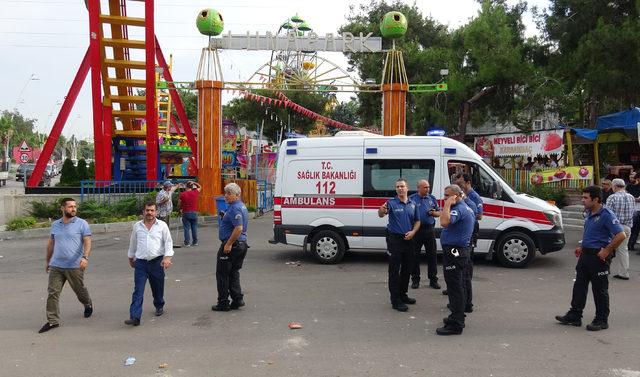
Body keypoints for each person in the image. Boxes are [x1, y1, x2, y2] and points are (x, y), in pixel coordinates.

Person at [555, 186, 625, 331]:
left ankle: (601, 320)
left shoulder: (606, 214)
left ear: (596, 199)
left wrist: (607, 250)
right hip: (585, 255)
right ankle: (575, 315)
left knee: (600, 290)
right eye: (583, 197)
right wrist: (582, 246)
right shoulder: (588, 213)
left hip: (598, 258)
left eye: (586, 198)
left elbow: (621, 235)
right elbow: (591, 233)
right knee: (579, 286)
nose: (583, 200)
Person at [39, 198, 93, 333]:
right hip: (56, 265)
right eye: (70, 207)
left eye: (75, 206)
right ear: (62, 208)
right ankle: (53, 321)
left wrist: (85, 257)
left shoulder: (82, 224)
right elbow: (51, 243)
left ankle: (87, 303)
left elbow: (87, 241)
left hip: (74, 265)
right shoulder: (55, 225)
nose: (73, 209)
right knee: (53, 293)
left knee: (79, 290)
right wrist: (48, 261)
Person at [125, 201, 174, 326]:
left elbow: (168, 242)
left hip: (157, 262)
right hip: (141, 263)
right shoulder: (137, 226)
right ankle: (135, 316)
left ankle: (159, 304)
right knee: (138, 290)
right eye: (147, 210)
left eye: (152, 210)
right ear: (143, 212)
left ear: (156, 212)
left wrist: (167, 258)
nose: (150, 213)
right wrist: (131, 257)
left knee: (157, 287)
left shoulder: (162, 225)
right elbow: (133, 243)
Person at [436, 185, 475, 336]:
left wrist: (447, 204)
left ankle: (457, 324)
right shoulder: (464, 207)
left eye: (447, 196)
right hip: (458, 251)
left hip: (455, 251)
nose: (444, 198)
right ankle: (456, 315)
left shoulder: (458, 208)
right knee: (460, 283)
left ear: (456, 196)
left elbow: (444, 222)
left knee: (454, 287)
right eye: (444, 196)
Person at [378, 178, 420, 312]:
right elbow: (381, 214)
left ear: (407, 188)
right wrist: (381, 210)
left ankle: (403, 295)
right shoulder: (391, 203)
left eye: (402, 186)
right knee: (394, 271)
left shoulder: (413, 204)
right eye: (397, 187)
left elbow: (418, 221)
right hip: (394, 240)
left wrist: (413, 232)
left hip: (409, 240)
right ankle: (395, 300)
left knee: (407, 269)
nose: (400, 189)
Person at [212, 183, 249, 312]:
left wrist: (228, 244)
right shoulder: (239, 206)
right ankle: (237, 299)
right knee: (233, 272)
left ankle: (223, 302)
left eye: (229, 193)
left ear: (237, 195)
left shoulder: (235, 208)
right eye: (225, 192)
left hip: (232, 245)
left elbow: (238, 228)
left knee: (222, 274)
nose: (225, 196)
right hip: (240, 245)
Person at [452, 173, 483, 312]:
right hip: (464, 230)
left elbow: (479, 215)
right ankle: (460, 289)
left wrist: (464, 214)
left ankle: (465, 294)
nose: (459, 185)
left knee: (465, 264)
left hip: (470, 230)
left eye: (460, 183)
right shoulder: (464, 198)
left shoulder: (473, 197)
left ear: (468, 182)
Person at [409, 179, 441, 290]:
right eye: (425, 187)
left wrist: (433, 213)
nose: (428, 189)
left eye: (428, 187)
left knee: (432, 256)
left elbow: (438, 213)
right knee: (414, 256)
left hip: (429, 230)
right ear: (419, 188)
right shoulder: (412, 199)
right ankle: (415, 280)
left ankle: (433, 280)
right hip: (417, 230)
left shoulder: (431, 198)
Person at [605, 179, 634, 280]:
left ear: (614, 186)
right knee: (623, 250)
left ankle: (604, 270)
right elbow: (632, 212)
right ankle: (624, 273)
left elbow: (607, 214)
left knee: (607, 248)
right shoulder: (631, 197)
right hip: (627, 227)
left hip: (614, 227)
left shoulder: (612, 197)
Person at [178, 180, 202, 247]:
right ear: (192, 186)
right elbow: (200, 186)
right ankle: (195, 242)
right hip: (194, 212)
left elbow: (179, 203)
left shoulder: (182, 194)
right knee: (194, 228)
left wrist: (180, 209)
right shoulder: (195, 192)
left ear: (186, 186)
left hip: (186, 212)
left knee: (186, 228)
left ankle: (187, 242)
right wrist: (194, 182)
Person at [626, 173, 640, 252]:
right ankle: (630, 244)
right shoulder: (630, 186)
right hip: (634, 209)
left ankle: (630, 244)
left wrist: (631, 198)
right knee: (634, 229)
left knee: (634, 229)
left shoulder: (630, 186)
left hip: (635, 209)